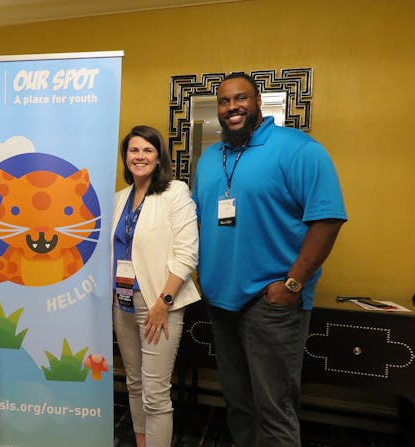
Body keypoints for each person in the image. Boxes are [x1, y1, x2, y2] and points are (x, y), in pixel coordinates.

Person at [192, 72, 347, 446]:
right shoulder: (211, 158)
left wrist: (292, 284)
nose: (233, 107)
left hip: (271, 302)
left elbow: (327, 219)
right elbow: (197, 221)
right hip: (220, 302)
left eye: (241, 98)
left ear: (258, 101)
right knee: (238, 404)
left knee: (274, 409)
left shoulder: (299, 149)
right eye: (225, 101)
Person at [112, 125, 201, 447]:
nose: (140, 156)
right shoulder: (119, 198)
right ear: (125, 157)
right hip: (122, 304)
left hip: (158, 305)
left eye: (147, 150)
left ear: (158, 156)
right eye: (134, 150)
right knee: (133, 385)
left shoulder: (174, 192)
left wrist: (163, 302)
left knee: (155, 394)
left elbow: (187, 253)